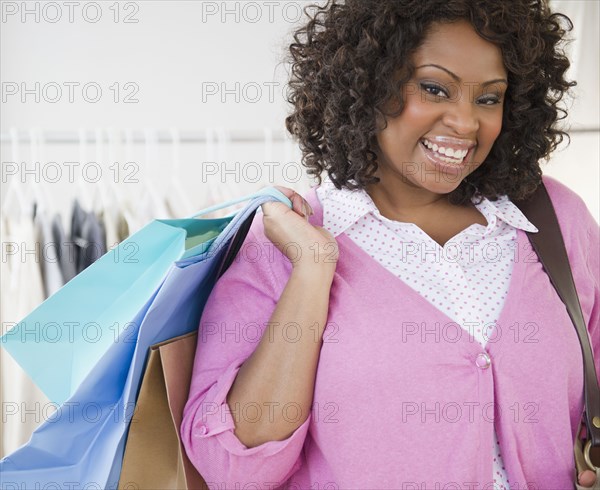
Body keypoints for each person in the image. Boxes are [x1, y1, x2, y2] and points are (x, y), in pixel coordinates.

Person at [181, 0, 600, 488]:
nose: (466, 123)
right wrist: (314, 269)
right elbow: (236, 468)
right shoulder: (285, 239)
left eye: (489, 98)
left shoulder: (553, 220)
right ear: (367, 83)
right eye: (433, 88)